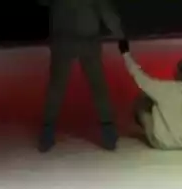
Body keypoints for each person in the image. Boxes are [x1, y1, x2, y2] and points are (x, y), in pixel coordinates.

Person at [38, 0, 123, 152]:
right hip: (83, 41)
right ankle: (108, 132)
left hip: (67, 41)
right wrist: (119, 32)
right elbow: (105, 10)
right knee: (97, 86)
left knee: (57, 88)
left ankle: (47, 132)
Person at [117, 39, 182, 150]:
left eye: (177, 68)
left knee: (142, 101)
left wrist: (126, 54)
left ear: (181, 73)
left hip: (161, 142)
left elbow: (140, 77)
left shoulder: (167, 89)